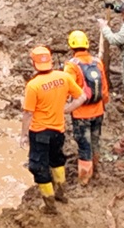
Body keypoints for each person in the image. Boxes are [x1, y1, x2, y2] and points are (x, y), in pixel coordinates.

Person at [23, 45, 86, 213]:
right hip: (58, 130)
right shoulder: (63, 77)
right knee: (56, 159)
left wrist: (23, 135)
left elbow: (28, 113)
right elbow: (82, 96)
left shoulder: (33, 85)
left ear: (33, 63)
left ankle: (49, 205)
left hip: (39, 132)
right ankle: (61, 193)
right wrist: (67, 109)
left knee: (38, 166)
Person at [63, 31, 107, 184]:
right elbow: (104, 88)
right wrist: (103, 104)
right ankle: (96, 169)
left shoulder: (71, 66)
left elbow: (67, 88)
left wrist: (63, 106)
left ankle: (85, 178)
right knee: (95, 141)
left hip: (81, 113)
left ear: (71, 47)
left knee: (84, 145)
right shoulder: (97, 62)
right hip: (98, 110)